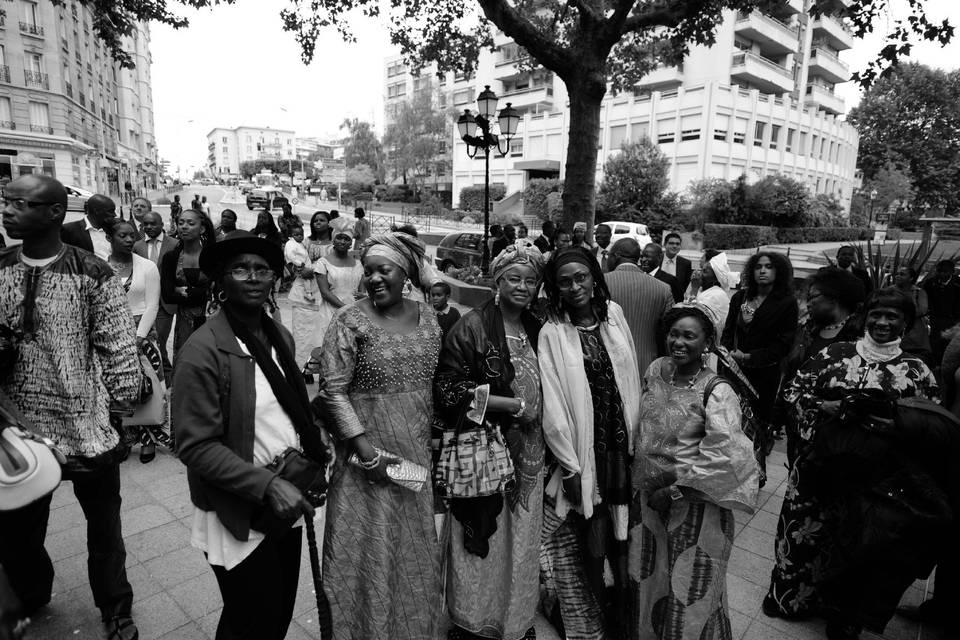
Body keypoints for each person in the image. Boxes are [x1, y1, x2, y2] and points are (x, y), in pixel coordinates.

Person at [0, 175, 142, 640]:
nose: (7, 210)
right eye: (6, 202)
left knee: (104, 533)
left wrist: (120, 406)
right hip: (18, 433)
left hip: (87, 428)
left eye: (20, 203)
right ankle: (33, 593)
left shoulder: (91, 273)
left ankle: (116, 609)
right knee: (19, 533)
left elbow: (119, 348)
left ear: (55, 213)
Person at [173, 231, 329, 640]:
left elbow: (283, 407)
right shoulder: (203, 349)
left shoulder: (279, 335)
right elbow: (193, 444)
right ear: (221, 282)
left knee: (276, 615)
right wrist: (268, 486)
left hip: (283, 498)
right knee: (250, 620)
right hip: (238, 507)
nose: (254, 277)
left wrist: (317, 434)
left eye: (263, 269)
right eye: (240, 269)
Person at [763, 288, 940, 638]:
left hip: (875, 478)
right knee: (804, 536)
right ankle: (792, 601)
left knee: (859, 545)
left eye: (893, 316)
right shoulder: (835, 353)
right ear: (865, 316)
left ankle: (842, 614)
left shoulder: (918, 371)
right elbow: (794, 393)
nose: (883, 322)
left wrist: (891, 425)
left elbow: (930, 427)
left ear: (907, 322)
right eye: (878, 314)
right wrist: (825, 409)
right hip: (818, 465)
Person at [318, 232, 444, 640]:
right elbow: (333, 391)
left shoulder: (429, 318)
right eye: (368, 270)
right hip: (365, 459)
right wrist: (366, 453)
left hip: (414, 455)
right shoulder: (348, 320)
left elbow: (437, 384)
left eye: (382, 270)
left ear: (404, 272)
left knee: (412, 545)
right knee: (366, 547)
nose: (372, 278)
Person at [434, 244, 546, 640]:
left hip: (532, 452)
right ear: (497, 281)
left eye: (531, 280)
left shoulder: (539, 325)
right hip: (485, 451)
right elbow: (448, 390)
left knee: (522, 536)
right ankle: (471, 621)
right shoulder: (473, 327)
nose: (523, 287)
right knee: (486, 537)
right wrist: (512, 404)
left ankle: (514, 620)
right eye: (514, 278)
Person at [631, 305, 759, 640]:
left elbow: (728, 457)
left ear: (707, 343)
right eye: (674, 333)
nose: (679, 341)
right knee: (653, 578)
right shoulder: (656, 369)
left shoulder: (717, 390)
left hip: (696, 508)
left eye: (690, 335)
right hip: (650, 502)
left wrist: (674, 491)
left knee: (690, 589)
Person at [537, 247, 641, 639]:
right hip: (587, 453)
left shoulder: (613, 315)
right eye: (565, 281)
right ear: (556, 288)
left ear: (595, 277)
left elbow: (629, 374)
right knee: (593, 545)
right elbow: (554, 407)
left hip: (622, 450)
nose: (575, 286)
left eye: (581, 277)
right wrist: (570, 465)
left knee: (624, 541)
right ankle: (593, 624)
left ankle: (624, 625)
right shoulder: (553, 332)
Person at [721, 251, 799, 483]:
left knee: (757, 421)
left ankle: (755, 471)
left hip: (764, 372)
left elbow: (783, 344)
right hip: (734, 370)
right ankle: (728, 468)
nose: (763, 271)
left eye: (769, 267)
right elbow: (727, 331)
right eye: (758, 267)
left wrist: (749, 357)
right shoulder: (740, 298)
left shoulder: (786, 303)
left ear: (779, 272)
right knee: (730, 419)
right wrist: (727, 354)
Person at [107, 218, 169, 462]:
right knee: (115, 389)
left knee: (146, 387)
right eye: (122, 235)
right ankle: (120, 439)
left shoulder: (147, 267)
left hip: (141, 333)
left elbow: (153, 305)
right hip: (109, 335)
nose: (129, 239)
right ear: (109, 239)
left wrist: (138, 337)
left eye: (132, 235)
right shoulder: (99, 265)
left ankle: (148, 440)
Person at [604, 237, 674, 375]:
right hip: (647, 365)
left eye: (609, 255)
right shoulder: (663, 289)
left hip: (609, 364)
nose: (607, 259)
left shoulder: (602, 283)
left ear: (617, 255)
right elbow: (671, 330)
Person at [161, 208, 215, 360]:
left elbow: (217, 292)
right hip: (184, 326)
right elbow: (167, 296)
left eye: (190, 223)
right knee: (185, 363)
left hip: (211, 323)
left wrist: (183, 291)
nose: (184, 226)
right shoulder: (171, 258)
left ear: (202, 228)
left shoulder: (212, 257)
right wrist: (202, 293)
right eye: (181, 223)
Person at [134, 211, 178, 379]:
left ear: (162, 225)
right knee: (149, 341)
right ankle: (161, 376)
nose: (149, 227)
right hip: (144, 302)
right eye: (146, 224)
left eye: (153, 224)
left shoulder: (174, 244)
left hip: (164, 303)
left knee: (159, 340)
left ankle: (165, 376)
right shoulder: (137, 246)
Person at [309, 230, 363, 360]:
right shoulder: (323, 263)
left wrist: (361, 300)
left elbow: (361, 292)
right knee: (330, 353)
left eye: (346, 239)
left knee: (351, 353)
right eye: (339, 238)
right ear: (333, 240)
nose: (343, 241)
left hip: (354, 314)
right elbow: (325, 293)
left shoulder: (358, 264)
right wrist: (345, 308)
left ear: (351, 243)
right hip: (330, 313)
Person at [922, 259, 960, 368]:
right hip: (935, 318)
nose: (942, 274)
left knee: (949, 343)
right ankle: (934, 364)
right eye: (939, 271)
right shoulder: (930, 283)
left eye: (945, 272)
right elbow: (925, 299)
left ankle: (947, 364)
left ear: (952, 272)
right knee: (934, 342)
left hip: (954, 320)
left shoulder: (958, 284)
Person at [892, 265, 932, 363]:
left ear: (911, 278)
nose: (898, 276)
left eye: (902, 274)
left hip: (914, 332)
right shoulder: (889, 291)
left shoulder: (918, 292)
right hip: (894, 328)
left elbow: (922, 310)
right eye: (897, 274)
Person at [60, 193, 117, 259]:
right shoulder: (69, 231)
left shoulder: (114, 228)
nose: (114, 215)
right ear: (97, 211)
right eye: (111, 211)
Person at [694, 251, 734, 336]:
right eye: (701, 270)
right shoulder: (704, 290)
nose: (700, 274)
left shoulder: (716, 295)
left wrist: (694, 289)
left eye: (704, 271)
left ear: (715, 279)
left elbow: (693, 316)